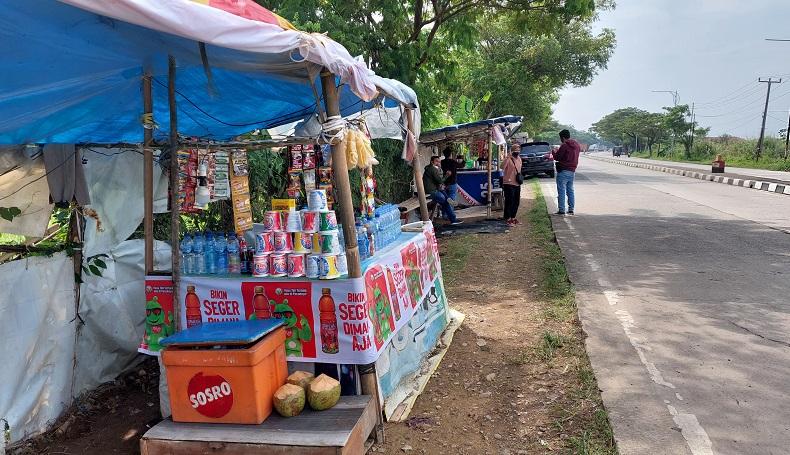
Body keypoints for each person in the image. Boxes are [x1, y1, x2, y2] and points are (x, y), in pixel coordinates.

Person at [423, 156, 462, 225]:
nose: (438, 163)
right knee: (445, 201)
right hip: (431, 192)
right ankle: (453, 219)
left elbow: (438, 179)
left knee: (443, 193)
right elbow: (440, 180)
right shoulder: (432, 169)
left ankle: (449, 200)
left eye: (439, 161)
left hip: (433, 189)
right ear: (432, 162)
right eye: (436, 161)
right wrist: (447, 175)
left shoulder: (431, 168)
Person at [554, 129, 581, 215]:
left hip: (563, 171)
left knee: (561, 190)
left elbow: (557, 157)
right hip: (572, 171)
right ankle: (571, 209)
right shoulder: (577, 145)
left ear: (562, 137)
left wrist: (554, 152)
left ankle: (562, 210)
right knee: (570, 190)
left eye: (560, 138)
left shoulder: (564, 145)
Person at [501, 143, 523, 225]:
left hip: (517, 183)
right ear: (512, 151)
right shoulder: (508, 159)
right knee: (509, 201)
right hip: (508, 183)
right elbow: (502, 167)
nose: (517, 151)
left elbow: (520, 169)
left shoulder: (519, 159)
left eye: (518, 150)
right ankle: (507, 218)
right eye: (516, 150)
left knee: (516, 201)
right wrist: (507, 157)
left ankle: (513, 217)